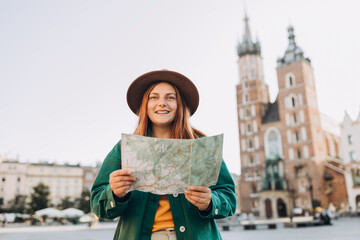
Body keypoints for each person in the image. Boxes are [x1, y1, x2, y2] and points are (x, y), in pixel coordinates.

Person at [91, 70, 237, 240]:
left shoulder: (202, 146)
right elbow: (97, 203)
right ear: (145, 104)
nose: (162, 103)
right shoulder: (124, 148)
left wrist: (211, 201)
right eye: (154, 97)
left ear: (180, 104)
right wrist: (114, 193)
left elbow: (229, 197)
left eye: (170, 97)